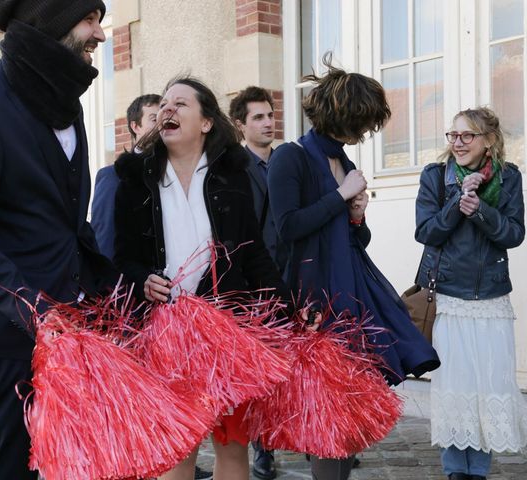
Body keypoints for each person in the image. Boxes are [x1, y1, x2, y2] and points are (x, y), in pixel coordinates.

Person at [0, 1, 120, 479]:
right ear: (52, 23)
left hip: (76, 330)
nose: (100, 34)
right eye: (90, 20)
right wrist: (36, 312)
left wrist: (116, 287)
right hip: (7, 340)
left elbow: (69, 224)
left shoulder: (69, 107)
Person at [113, 76, 298, 480]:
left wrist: (289, 316)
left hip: (226, 329)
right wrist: (141, 278)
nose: (167, 109)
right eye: (164, 103)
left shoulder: (231, 177)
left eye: (180, 104)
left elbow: (253, 253)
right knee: (177, 451)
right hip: (164, 334)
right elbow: (121, 257)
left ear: (207, 122)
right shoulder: (133, 179)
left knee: (232, 448)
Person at [267, 54, 440, 480]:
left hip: (353, 289)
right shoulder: (291, 157)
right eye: (360, 123)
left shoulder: (344, 164)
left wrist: (357, 214)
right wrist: (341, 196)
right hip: (315, 299)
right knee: (330, 413)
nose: (364, 133)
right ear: (338, 114)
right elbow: (286, 228)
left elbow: (354, 240)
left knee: (349, 409)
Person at [415, 107, 527, 480]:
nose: (458, 143)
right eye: (453, 135)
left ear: (489, 141)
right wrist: (457, 203)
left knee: (487, 382)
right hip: (447, 295)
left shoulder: (509, 178)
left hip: (491, 297)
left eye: (467, 136)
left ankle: (477, 469)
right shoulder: (435, 175)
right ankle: (454, 470)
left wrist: (480, 210)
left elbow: (513, 233)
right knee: (454, 383)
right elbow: (426, 232)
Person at [229, 85, 280, 480]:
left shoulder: (287, 161)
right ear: (240, 125)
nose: (268, 122)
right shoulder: (234, 167)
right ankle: (263, 448)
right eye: (258, 117)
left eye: (270, 114)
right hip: (254, 283)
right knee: (260, 369)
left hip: (292, 273)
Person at [91, 94, 161, 259]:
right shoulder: (112, 177)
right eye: (153, 119)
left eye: (163, 118)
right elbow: (105, 239)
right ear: (135, 126)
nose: (161, 125)